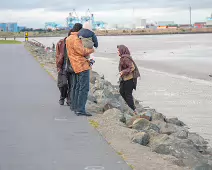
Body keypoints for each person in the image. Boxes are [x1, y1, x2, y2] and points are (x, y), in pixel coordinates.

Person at [66, 23, 94, 116]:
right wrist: (91, 50)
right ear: (79, 30)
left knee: (77, 87)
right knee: (84, 88)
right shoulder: (76, 39)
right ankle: (80, 109)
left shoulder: (68, 38)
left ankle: (74, 106)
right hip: (81, 65)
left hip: (75, 65)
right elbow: (82, 51)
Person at [117, 45, 140, 115]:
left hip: (129, 79)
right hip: (124, 79)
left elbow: (132, 67)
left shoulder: (126, 58)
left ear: (122, 50)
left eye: (118, 50)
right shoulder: (123, 57)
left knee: (128, 95)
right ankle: (130, 108)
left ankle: (133, 110)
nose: (117, 52)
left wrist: (123, 72)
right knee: (122, 92)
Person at [56, 31, 72, 106]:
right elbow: (57, 54)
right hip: (63, 66)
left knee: (72, 85)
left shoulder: (76, 43)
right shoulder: (61, 43)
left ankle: (69, 99)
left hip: (72, 68)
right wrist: (58, 66)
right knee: (63, 84)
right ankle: (62, 96)